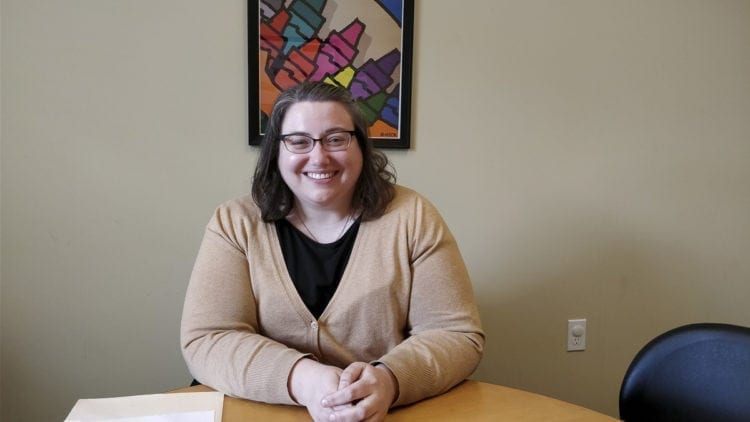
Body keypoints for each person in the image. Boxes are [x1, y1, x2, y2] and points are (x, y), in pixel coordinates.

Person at [180, 81, 484, 421]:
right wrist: (303, 380)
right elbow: (207, 339)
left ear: (361, 146)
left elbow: (456, 335)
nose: (319, 157)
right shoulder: (234, 223)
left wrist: (390, 379)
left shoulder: (413, 216)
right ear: (276, 152)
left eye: (336, 139)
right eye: (299, 141)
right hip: (260, 411)